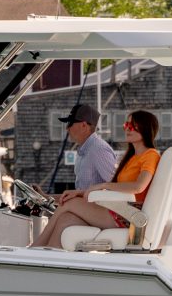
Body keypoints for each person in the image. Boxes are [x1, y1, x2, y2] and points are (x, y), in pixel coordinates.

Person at [33, 109, 161, 248]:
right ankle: (48, 259)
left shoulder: (151, 155)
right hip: (118, 210)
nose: (127, 129)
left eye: (132, 125)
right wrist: (80, 193)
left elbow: (138, 187)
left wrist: (101, 185)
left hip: (128, 214)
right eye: (126, 125)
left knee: (68, 204)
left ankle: (35, 248)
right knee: (65, 219)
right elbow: (116, 188)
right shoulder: (131, 158)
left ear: (145, 128)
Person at [59, 102, 118, 194]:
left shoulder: (98, 149)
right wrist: (45, 197)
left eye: (70, 123)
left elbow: (117, 186)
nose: (67, 128)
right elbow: (76, 195)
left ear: (83, 126)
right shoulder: (85, 150)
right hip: (84, 206)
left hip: (95, 207)